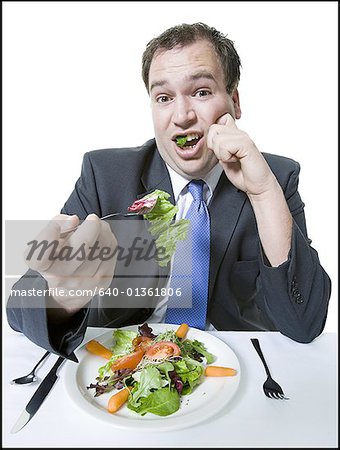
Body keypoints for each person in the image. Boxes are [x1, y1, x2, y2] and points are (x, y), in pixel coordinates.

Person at [6, 22, 331, 361]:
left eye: (201, 92)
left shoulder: (276, 177)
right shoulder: (105, 176)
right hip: (129, 366)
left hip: (234, 367)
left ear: (234, 102)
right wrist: (62, 298)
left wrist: (264, 194)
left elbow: (304, 323)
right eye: (163, 98)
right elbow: (19, 309)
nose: (181, 116)